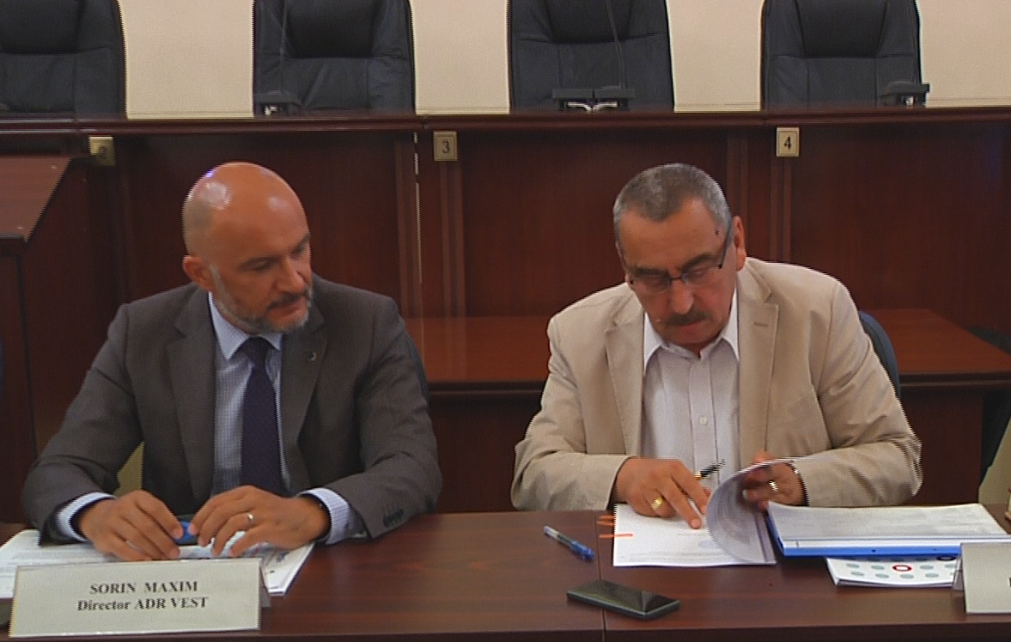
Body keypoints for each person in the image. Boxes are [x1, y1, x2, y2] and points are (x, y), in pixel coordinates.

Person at [23, 161, 441, 560]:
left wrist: (312, 511)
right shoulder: (144, 333)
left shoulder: (365, 323)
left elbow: (412, 468)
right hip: (193, 575)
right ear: (201, 275)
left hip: (328, 569)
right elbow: (58, 471)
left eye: (299, 250)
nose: (294, 281)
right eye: (261, 267)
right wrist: (95, 514)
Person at [512, 163, 921, 526]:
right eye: (653, 279)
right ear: (625, 266)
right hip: (642, 578)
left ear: (737, 243)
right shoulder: (579, 333)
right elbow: (534, 474)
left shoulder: (818, 311)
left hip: (783, 577)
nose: (681, 302)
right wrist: (623, 476)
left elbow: (897, 456)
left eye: (700, 270)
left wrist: (802, 481)